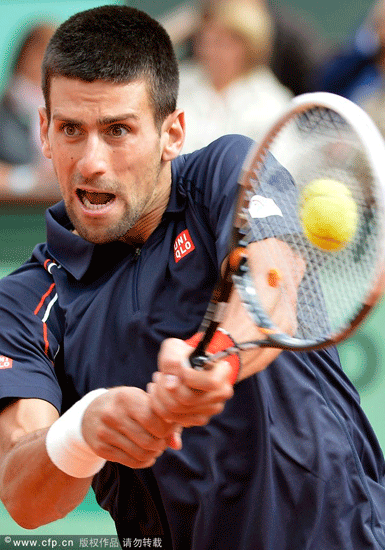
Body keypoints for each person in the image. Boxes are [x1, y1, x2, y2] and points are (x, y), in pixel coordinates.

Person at [0, 6, 384, 550]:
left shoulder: (225, 172)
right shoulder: (25, 300)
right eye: (70, 130)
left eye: (118, 131)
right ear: (43, 131)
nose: (91, 162)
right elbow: (22, 492)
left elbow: (271, 283)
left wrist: (219, 355)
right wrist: (81, 433)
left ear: (172, 132)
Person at [177, 0, 293, 153]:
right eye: (204, 40)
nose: (208, 50)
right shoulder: (176, 83)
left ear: (247, 46)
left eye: (219, 42)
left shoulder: (272, 102)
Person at [160, 0, 328, 97]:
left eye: (222, 43)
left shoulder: (267, 100)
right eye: (206, 41)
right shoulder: (186, 83)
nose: (210, 50)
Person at [0, 21, 61, 202]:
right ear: (22, 57)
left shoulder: (70, 112)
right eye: (37, 56)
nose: (42, 65)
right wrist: (30, 178)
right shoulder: (5, 112)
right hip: (15, 209)